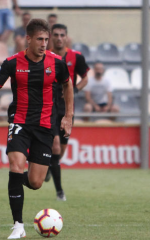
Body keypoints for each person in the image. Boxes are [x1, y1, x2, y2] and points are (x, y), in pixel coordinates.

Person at [0, 19, 73, 239]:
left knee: (35, 182)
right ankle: (18, 226)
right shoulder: (12, 63)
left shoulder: (56, 62)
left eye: (47, 39)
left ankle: (14, 184)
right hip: (19, 123)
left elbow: (67, 85)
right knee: (16, 166)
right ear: (29, 39)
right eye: (40, 39)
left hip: (44, 126)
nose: (44, 44)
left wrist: (68, 116)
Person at [46, 24, 89, 201]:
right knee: (55, 146)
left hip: (66, 107)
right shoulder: (45, 56)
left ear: (66, 37)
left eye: (62, 35)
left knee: (61, 150)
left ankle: (50, 167)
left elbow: (85, 78)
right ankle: (60, 192)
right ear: (51, 37)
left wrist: (75, 90)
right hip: (49, 106)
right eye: (55, 35)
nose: (58, 38)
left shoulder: (76, 56)